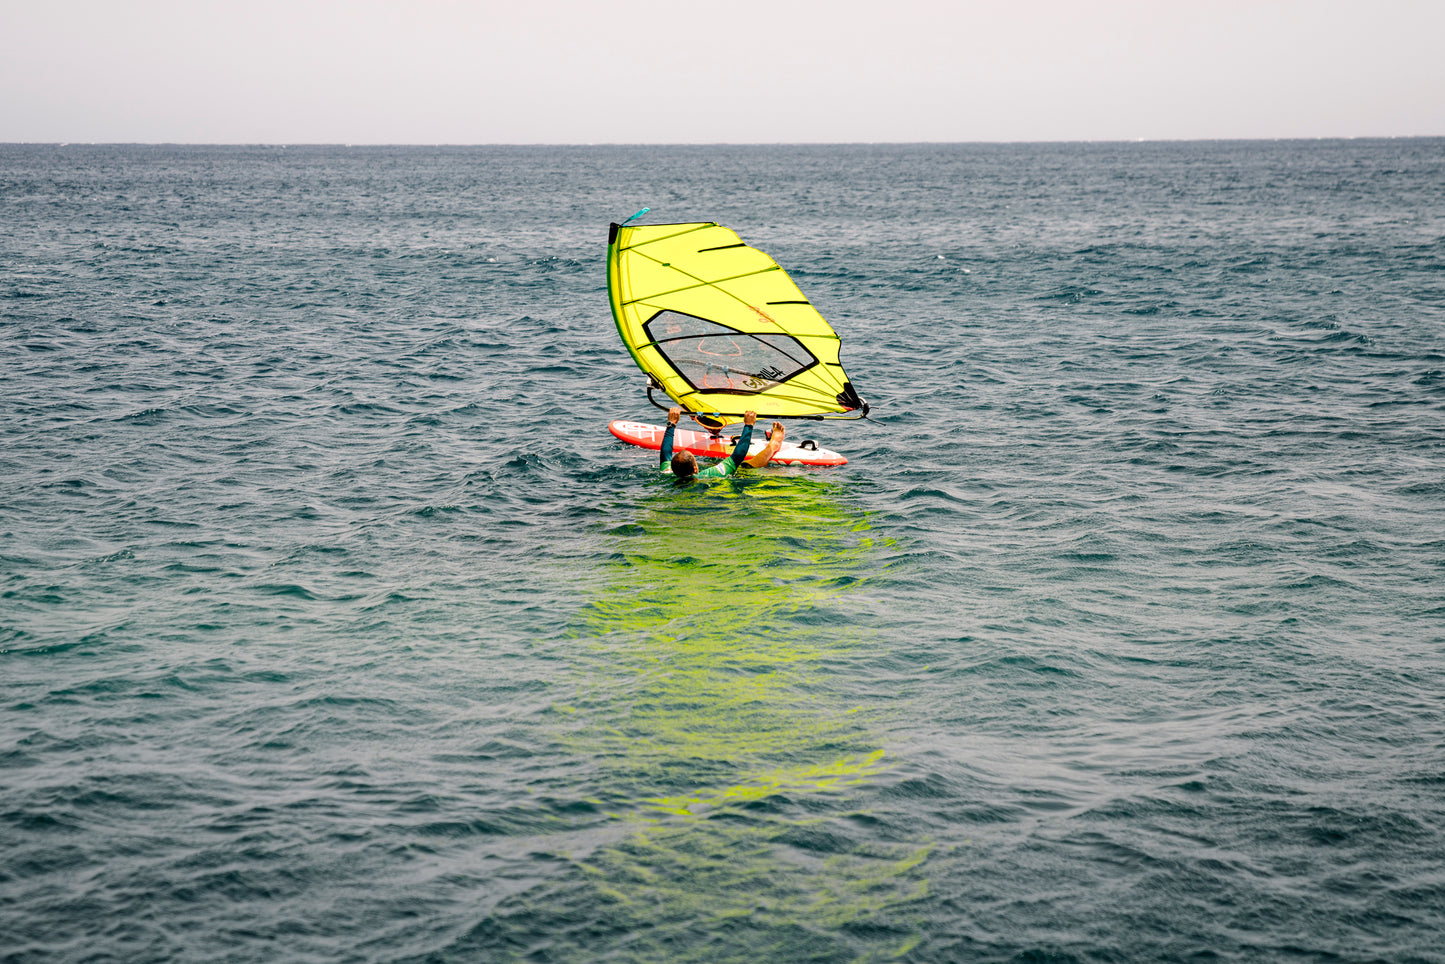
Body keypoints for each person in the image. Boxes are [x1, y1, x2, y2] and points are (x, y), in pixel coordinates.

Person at [659, 407, 779, 480]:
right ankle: (774, 445)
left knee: (720, 463)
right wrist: (749, 425)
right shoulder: (707, 476)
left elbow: (666, 454)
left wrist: (671, 423)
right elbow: (738, 456)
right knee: (745, 466)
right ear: (696, 469)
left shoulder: (667, 473)